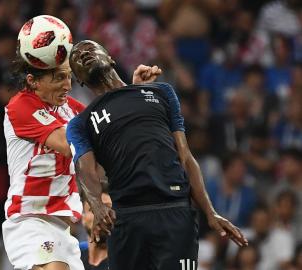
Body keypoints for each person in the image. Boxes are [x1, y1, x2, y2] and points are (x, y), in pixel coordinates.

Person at [66, 40, 248, 270]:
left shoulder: (161, 92)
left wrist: (210, 213)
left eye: (90, 49)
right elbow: (86, 170)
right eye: (77, 58)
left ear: (110, 58)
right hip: (127, 218)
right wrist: (97, 204)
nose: (83, 54)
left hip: (173, 211)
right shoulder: (80, 123)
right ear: (79, 80)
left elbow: (186, 156)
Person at [2, 31, 160, 269]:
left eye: (69, 78)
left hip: (63, 229)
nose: (67, 86)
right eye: (58, 79)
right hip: (29, 220)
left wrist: (133, 91)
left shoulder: (70, 109)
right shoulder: (20, 106)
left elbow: (116, 129)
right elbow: (69, 145)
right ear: (33, 81)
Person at [80, 181, 111, 270]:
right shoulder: (70, 260)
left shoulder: (132, 261)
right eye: (93, 209)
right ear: (83, 218)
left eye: (108, 208)